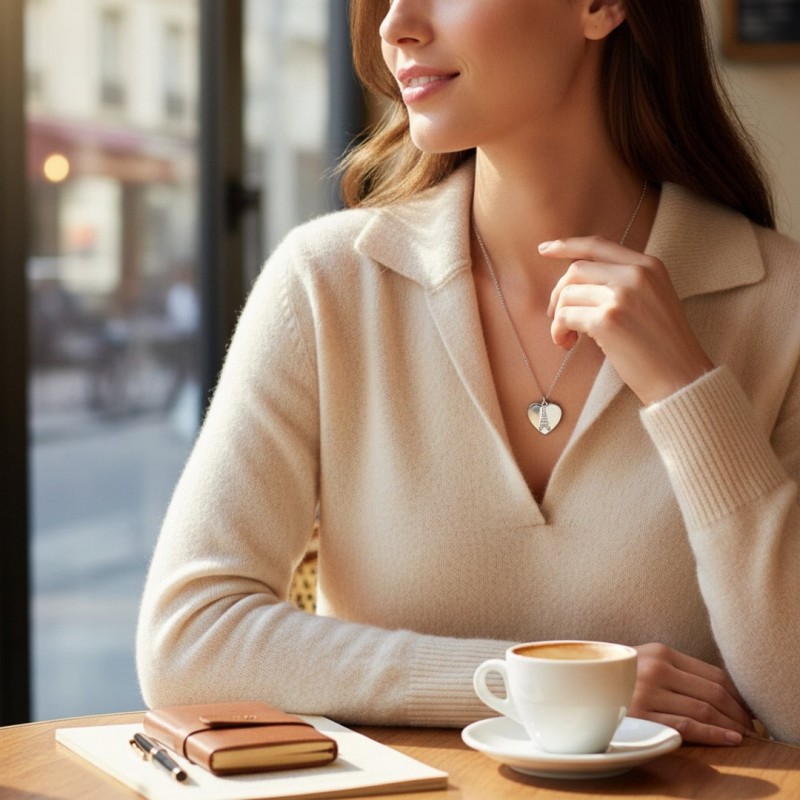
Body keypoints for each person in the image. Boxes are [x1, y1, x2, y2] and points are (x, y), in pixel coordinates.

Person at [136, 0, 800, 747]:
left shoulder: (783, 305)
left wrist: (689, 393)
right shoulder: (326, 286)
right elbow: (188, 640)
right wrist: (536, 684)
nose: (395, 26)